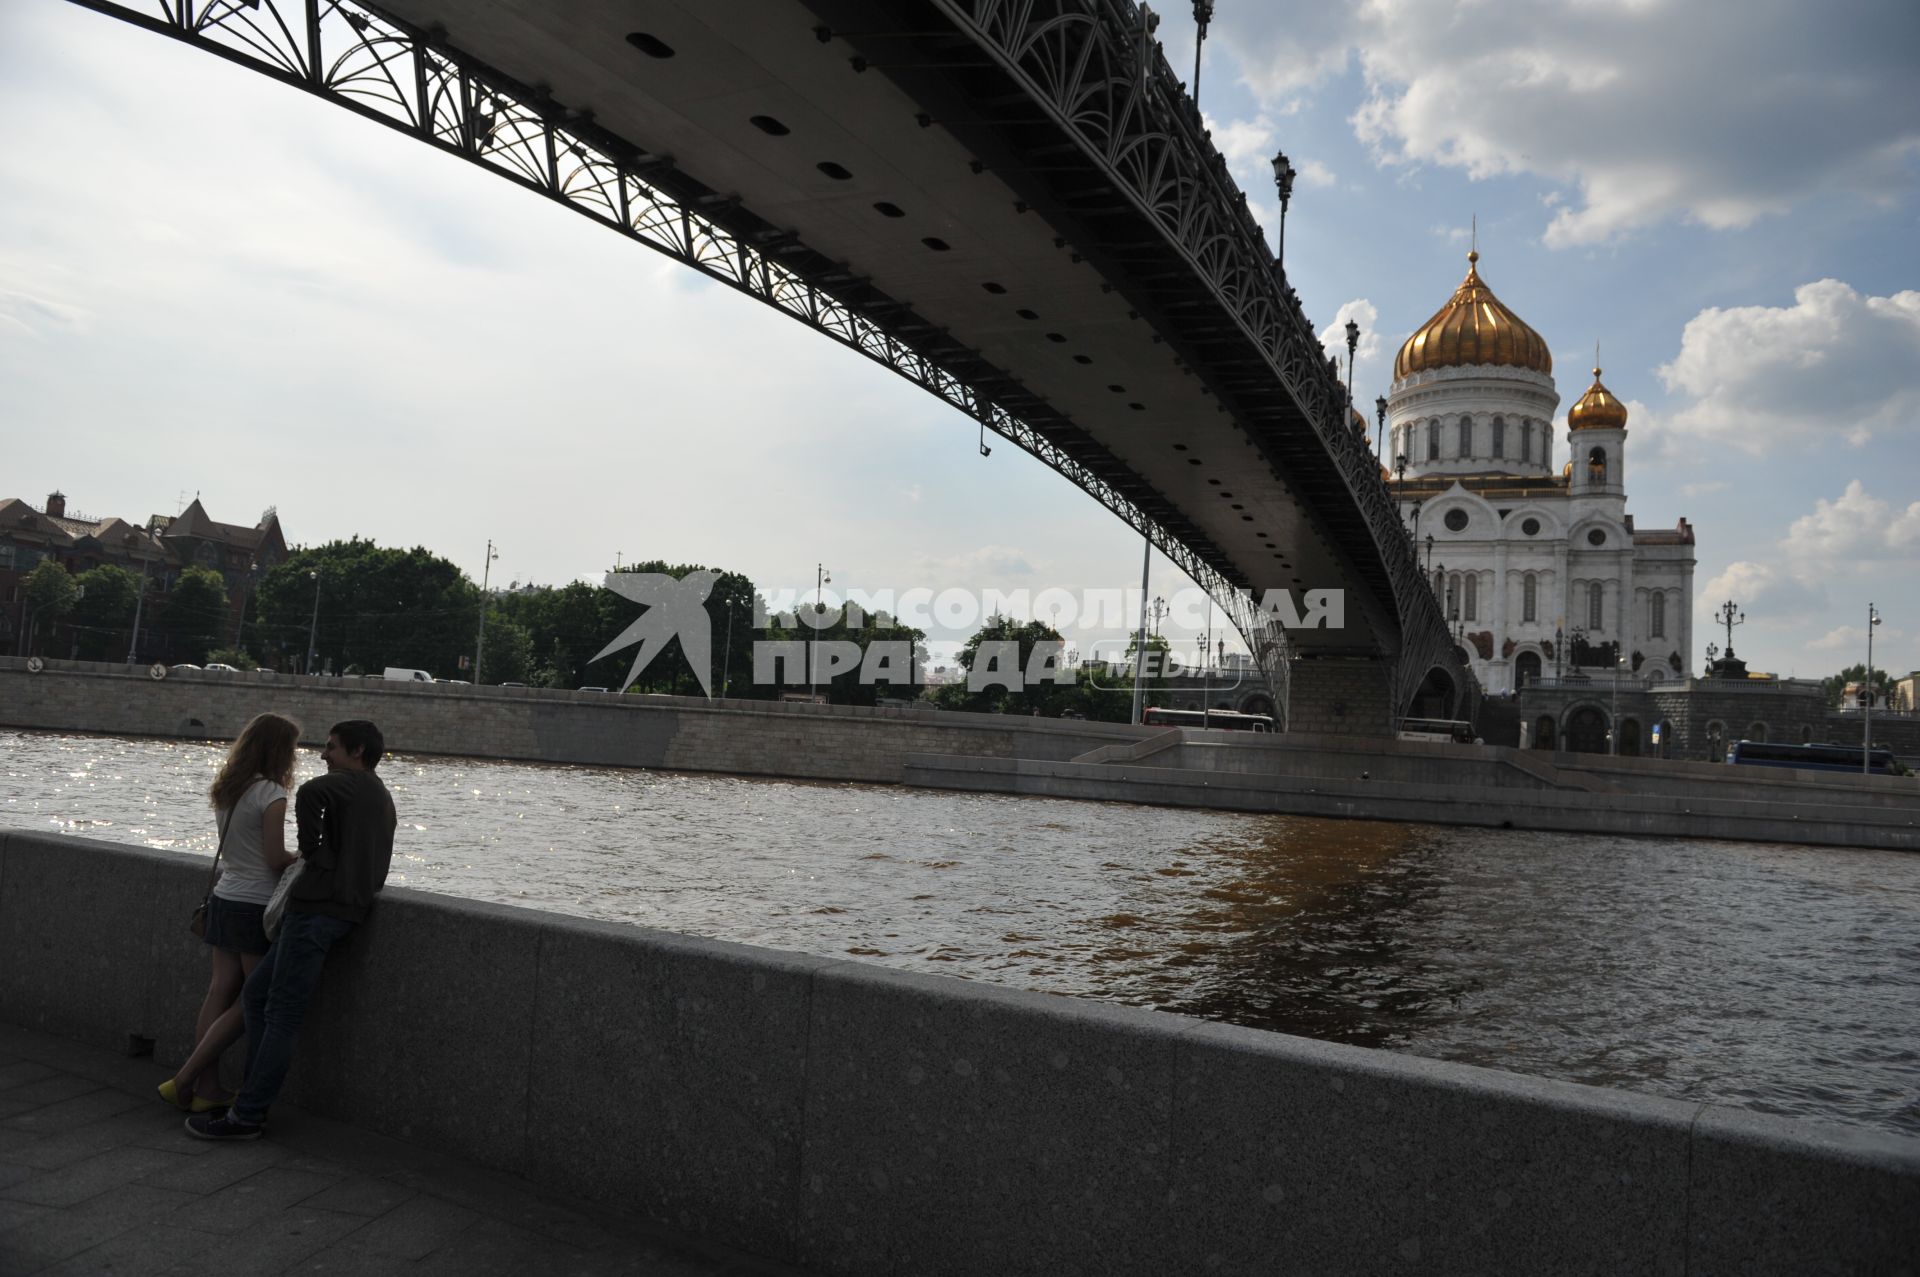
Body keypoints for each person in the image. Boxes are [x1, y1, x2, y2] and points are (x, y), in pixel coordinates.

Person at [186, 719, 396, 1140]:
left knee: (279, 1013)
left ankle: (247, 1114)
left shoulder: (343, 784)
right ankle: (237, 1094)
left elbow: (311, 791)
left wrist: (312, 853)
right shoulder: (380, 796)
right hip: (343, 909)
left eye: (332, 748)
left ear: (356, 752)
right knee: (257, 995)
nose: (323, 755)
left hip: (314, 913)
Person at [158, 712, 300, 1114]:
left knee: (219, 990)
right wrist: (301, 858)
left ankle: (208, 1086)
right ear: (280, 751)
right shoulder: (271, 792)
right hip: (255, 904)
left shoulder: (228, 788)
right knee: (253, 999)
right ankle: (186, 1078)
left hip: (224, 896)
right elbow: (274, 859)